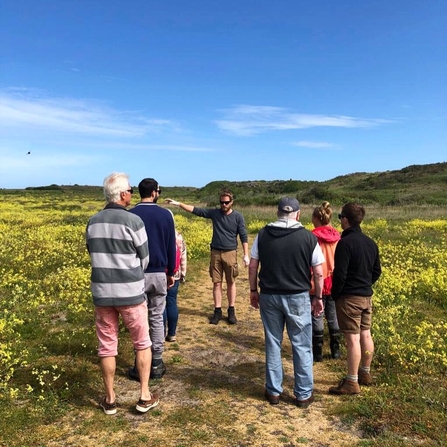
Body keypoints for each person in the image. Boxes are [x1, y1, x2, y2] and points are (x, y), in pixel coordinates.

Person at [86, 172, 159, 414]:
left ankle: (109, 399)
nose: (131, 192)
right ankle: (144, 395)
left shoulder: (93, 221)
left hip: (102, 293)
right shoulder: (134, 222)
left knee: (107, 346)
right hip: (131, 293)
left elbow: (92, 253)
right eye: (129, 189)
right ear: (123, 194)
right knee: (142, 343)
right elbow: (145, 258)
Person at [248, 197, 324, 408]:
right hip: (298, 296)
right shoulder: (308, 238)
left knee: (273, 342)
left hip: (269, 295)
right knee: (301, 344)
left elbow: (253, 265)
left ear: (278, 213)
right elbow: (318, 272)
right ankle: (303, 394)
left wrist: (254, 290)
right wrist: (318, 297)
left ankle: (273, 391)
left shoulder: (263, 234)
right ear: (298, 214)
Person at [165, 189, 249, 325]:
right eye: (221, 202)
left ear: (232, 202)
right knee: (216, 282)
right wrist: (178, 204)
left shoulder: (238, 217)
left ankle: (231, 310)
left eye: (226, 202)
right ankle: (217, 311)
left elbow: (243, 236)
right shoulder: (215, 213)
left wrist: (246, 255)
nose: (223, 205)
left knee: (231, 282)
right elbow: (196, 210)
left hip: (230, 253)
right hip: (215, 252)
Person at [329, 202, 381, 395]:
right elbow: (377, 271)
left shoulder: (345, 243)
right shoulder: (370, 242)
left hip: (349, 297)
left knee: (352, 339)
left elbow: (340, 274)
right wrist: (365, 284)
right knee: (366, 334)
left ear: (345, 219)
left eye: (340, 216)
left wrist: (336, 294)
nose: (340, 220)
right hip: (366, 296)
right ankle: (365, 373)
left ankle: (351, 382)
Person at [128, 178, 176, 381]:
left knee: (138, 320)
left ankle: (140, 362)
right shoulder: (166, 215)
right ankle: (156, 361)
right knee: (156, 317)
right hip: (158, 273)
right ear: (155, 192)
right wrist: (171, 272)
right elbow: (170, 245)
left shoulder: (130, 215)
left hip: (136, 274)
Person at [310, 201, 341, 362]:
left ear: (316, 218)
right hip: (334, 279)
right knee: (333, 316)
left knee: (316, 314)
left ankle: (318, 352)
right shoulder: (338, 236)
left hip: (317, 280)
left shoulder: (312, 237)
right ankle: (336, 350)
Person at [164, 230, 187, 342]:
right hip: (175, 274)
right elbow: (183, 256)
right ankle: (172, 333)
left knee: (161, 304)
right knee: (172, 301)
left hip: (161, 274)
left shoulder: (159, 233)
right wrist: (183, 273)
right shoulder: (178, 236)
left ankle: (160, 333)